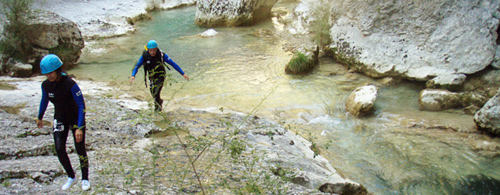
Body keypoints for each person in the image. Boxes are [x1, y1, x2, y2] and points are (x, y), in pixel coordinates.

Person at [36, 54, 90, 191]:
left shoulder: (70, 84)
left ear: (58, 70)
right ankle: (71, 176)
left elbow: (81, 106)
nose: (49, 76)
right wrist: (40, 116)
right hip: (60, 118)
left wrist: (79, 127)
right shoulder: (46, 85)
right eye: (46, 74)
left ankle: (85, 178)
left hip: (75, 119)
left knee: (80, 149)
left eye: (51, 72)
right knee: (59, 149)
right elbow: (44, 100)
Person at [130, 39, 189, 111]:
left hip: (160, 75)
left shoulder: (161, 55)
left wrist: (183, 73)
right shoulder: (144, 56)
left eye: (154, 50)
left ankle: (157, 110)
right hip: (152, 77)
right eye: (151, 50)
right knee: (153, 94)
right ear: (148, 50)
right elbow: (137, 66)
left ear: (156, 49)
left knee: (157, 92)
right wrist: (133, 75)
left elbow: (173, 63)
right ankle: (160, 102)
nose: (153, 52)